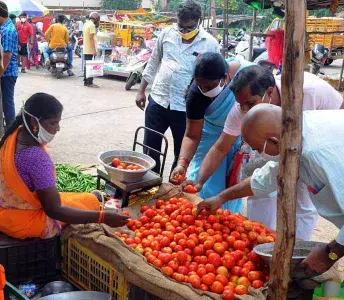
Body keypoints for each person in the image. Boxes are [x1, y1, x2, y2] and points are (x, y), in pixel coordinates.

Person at [189, 65, 344, 240]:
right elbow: (224, 150)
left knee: (304, 200)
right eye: (241, 105)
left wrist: (331, 252)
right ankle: (262, 240)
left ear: (269, 93)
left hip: (326, 144)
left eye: (256, 148)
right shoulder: (243, 110)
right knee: (263, 194)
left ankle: (298, 248)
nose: (245, 109)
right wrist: (213, 192)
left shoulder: (310, 93)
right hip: (304, 146)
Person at [199, 104, 344, 275]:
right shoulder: (293, 134)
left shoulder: (318, 153)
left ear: (274, 141)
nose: (258, 153)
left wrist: (329, 254)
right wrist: (221, 198)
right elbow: (264, 178)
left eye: (257, 148)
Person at [0, 93, 129, 239]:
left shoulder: (14, 134)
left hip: (0, 211)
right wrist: (102, 217)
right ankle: (94, 201)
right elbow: (54, 210)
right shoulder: (35, 158)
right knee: (89, 203)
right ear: (34, 121)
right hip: (21, 223)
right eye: (53, 123)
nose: (58, 128)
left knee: (76, 198)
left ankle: (92, 198)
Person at [135, 1, 220, 174]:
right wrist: (141, 90)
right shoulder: (166, 34)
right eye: (180, 26)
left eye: (188, 28)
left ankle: (174, 190)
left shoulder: (210, 44)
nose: (183, 31)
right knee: (150, 147)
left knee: (182, 152)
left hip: (186, 107)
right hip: (158, 100)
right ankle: (150, 185)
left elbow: (214, 77)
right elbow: (153, 63)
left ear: (198, 21)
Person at [171, 53, 252, 213]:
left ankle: (226, 220)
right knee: (202, 184)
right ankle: (200, 217)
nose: (204, 90)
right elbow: (192, 135)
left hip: (236, 135)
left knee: (231, 183)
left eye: (209, 86)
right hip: (209, 137)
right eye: (201, 85)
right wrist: (182, 164)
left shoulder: (246, 77)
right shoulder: (195, 95)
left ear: (225, 78)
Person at [0, 1, 18, 127]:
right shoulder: (2, 28)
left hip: (5, 74)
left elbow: (7, 55)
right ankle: (2, 125)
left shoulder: (8, 30)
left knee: (6, 103)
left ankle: (10, 130)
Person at [83, 12, 100, 88]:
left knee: (87, 65)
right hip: (90, 49)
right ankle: (90, 82)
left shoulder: (86, 24)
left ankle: (86, 81)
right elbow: (91, 38)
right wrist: (94, 50)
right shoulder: (92, 25)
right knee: (90, 66)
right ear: (96, 18)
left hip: (86, 48)